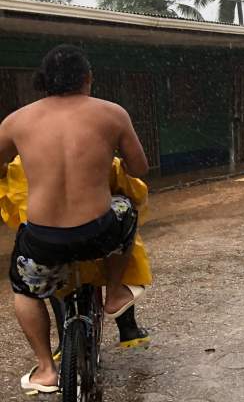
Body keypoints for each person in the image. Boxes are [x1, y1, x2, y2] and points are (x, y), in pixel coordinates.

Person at [0, 44, 149, 393]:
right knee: (126, 210)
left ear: (44, 82)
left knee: (25, 290)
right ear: (88, 78)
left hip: (44, 238)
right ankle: (113, 294)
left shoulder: (16, 121)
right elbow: (139, 169)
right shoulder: (112, 114)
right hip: (97, 231)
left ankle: (45, 369)